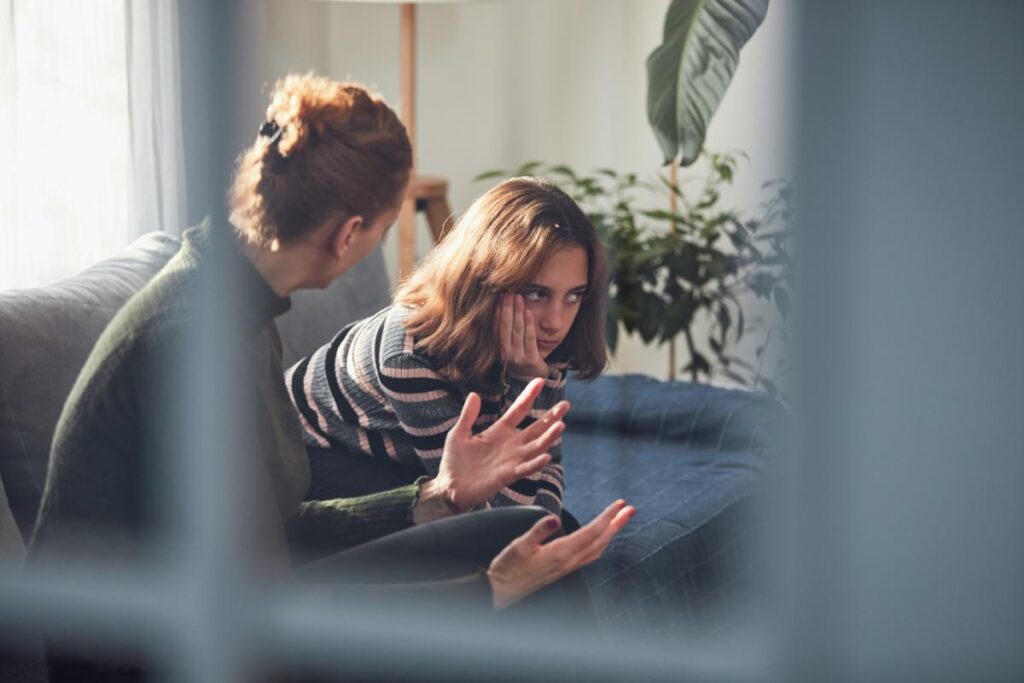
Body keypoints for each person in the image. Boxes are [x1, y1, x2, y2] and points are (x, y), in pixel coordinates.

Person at [28, 73, 633, 682]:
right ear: (350, 234)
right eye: (383, 227)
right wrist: (485, 590)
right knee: (523, 579)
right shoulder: (192, 346)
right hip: (150, 648)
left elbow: (277, 531)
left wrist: (436, 496)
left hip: (219, 595)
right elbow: (260, 605)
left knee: (529, 530)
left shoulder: (235, 305)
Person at [288, 177, 609, 525]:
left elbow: (541, 477)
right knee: (493, 535)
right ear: (485, 280)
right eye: (536, 293)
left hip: (410, 459)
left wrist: (531, 379)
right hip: (310, 457)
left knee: (559, 529)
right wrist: (528, 383)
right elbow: (488, 515)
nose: (556, 321)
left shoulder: (540, 340)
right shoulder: (409, 353)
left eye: (574, 295)